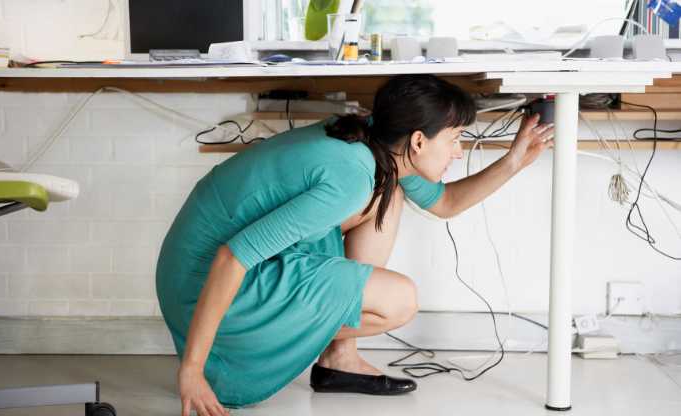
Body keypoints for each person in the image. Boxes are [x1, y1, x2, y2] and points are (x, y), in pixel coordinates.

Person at [156, 74, 554, 416]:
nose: (458, 150)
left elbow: (444, 203)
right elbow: (232, 256)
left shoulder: (374, 139)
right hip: (205, 284)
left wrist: (514, 160)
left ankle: (338, 359)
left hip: (199, 266)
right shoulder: (350, 179)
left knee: (390, 195)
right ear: (418, 140)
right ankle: (252, 350)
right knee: (400, 300)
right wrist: (191, 369)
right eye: (454, 138)